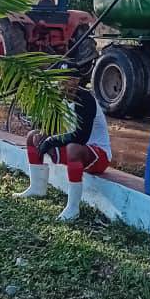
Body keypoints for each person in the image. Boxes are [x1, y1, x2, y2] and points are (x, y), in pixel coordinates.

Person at [15, 63, 112, 222]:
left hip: (97, 156)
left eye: (69, 79)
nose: (65, 83)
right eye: (61, 78)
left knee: (73, 148)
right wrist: (44, 135)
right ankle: (37, 188)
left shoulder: (85, 99)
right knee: (33, 136)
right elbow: (49, 126)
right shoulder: (57, 97)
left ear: (77, 81)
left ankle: (73, 208)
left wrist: (52, 140)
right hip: (75, 148)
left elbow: (81, 137)